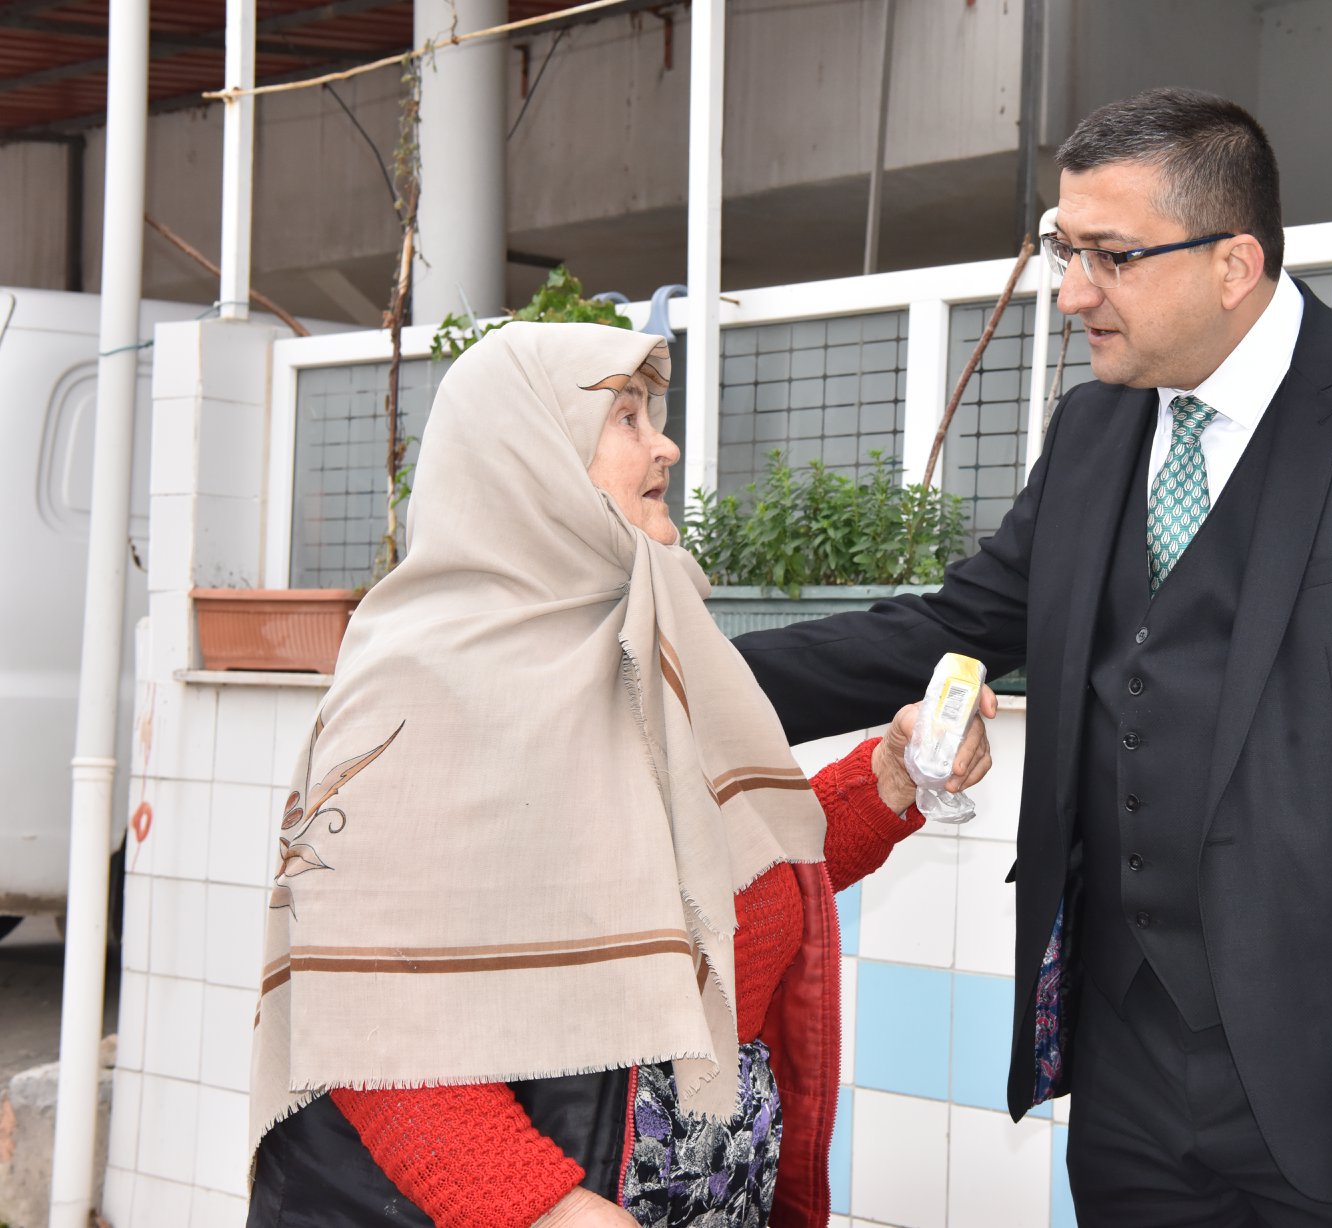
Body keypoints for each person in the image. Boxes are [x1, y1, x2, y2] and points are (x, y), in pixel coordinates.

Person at [735, 88, 1332, 1226]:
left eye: (1111, 257)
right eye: (1065, 252)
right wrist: (679, 679)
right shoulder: (1093, 428)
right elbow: (947, 625)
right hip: (1126, 1065)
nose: (1074, 292)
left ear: (1233, 264)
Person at [244, 321, 994, 1228]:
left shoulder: (645, 641)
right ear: (530, 457)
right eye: (627, 417)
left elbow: (720, 884)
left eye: (654, 415)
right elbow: (374, 1016)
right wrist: (551, 1211)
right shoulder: (418, 686)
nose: (664, 445)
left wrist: (891, 778)